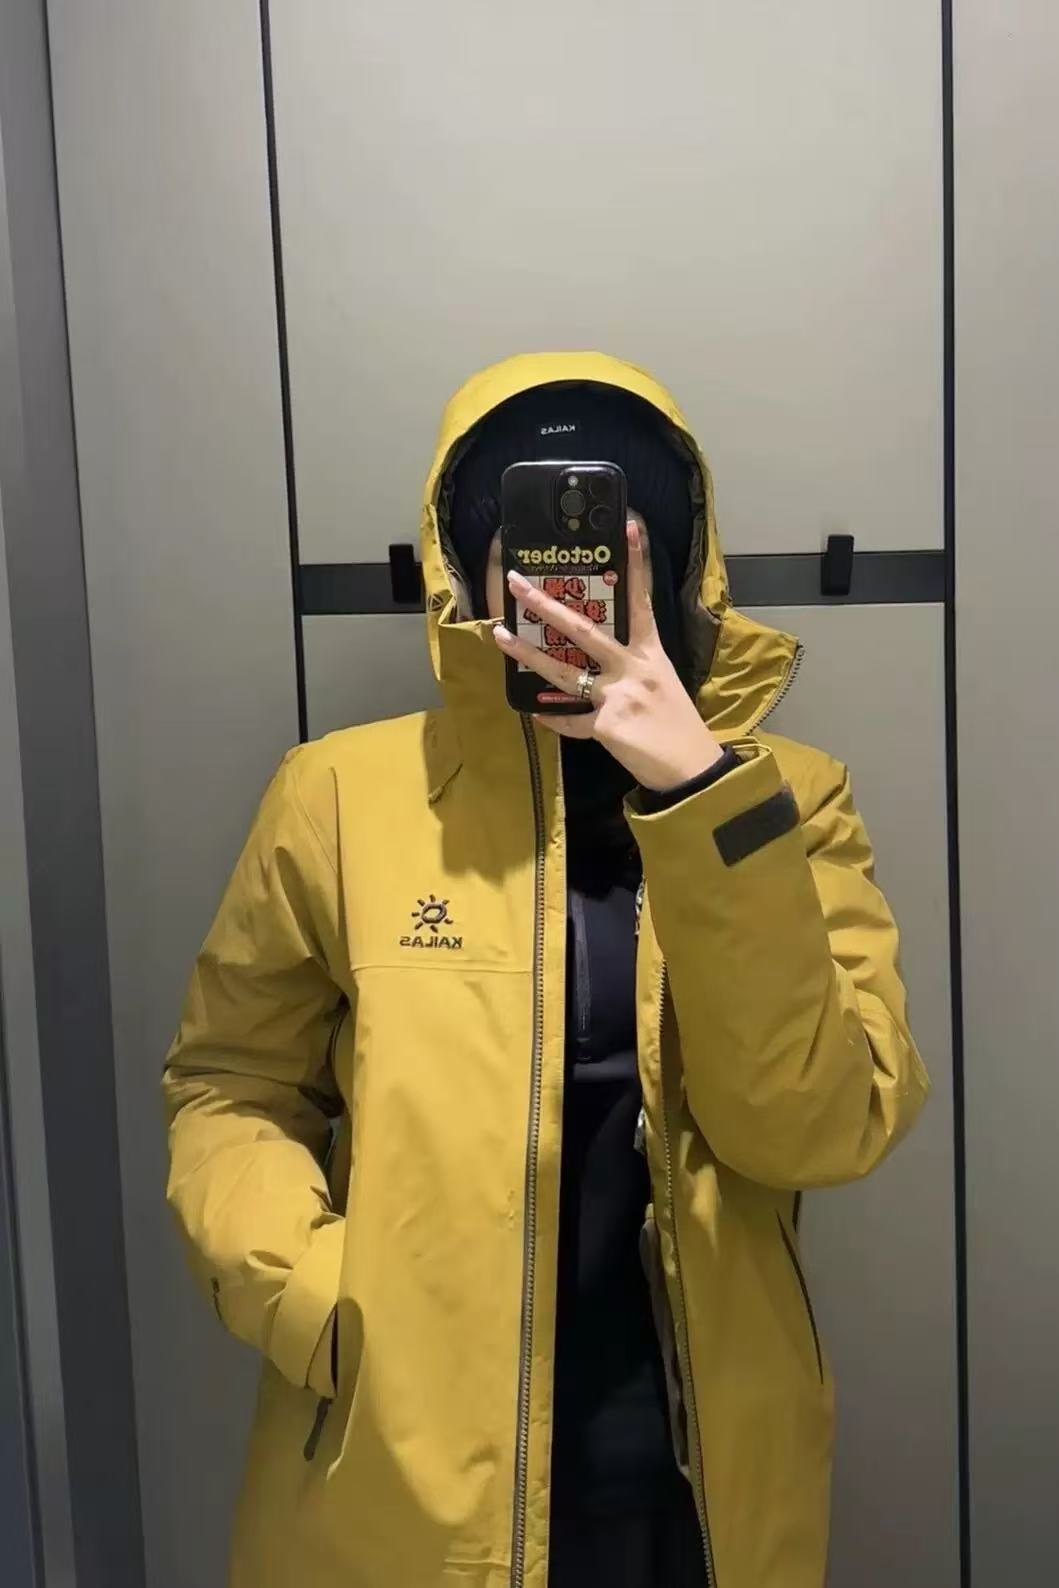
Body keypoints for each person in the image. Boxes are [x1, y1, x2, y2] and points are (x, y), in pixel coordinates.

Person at [163, 351, 929, 1588]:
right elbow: (229, 1085)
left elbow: (820, 1125)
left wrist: (697, 789)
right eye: (533, 537)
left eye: (620, 538)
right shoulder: (337, 796)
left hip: (698, 1490)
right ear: (469, 565)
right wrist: (318, 1302)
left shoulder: (781, 799)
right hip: (399, 1478)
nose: (573, 576)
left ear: (676, 561)